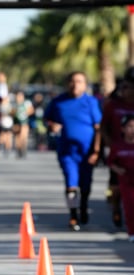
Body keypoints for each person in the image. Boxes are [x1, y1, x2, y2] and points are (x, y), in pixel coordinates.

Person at [44, 71, 102, 231]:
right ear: (67, 83)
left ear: (85, 85)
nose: (75, 84)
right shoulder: (58, 101)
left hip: (87, 152)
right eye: (72, 81)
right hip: (67, 152)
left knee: (85, 185)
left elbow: (98, 128)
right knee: (71, 183)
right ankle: (73, 215)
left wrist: (96, 152)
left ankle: (83, 205)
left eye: (79, 81)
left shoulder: (91, 102)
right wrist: (51, 125)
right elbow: (47, 118)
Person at [101, 67, 134, 228]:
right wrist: (109, 144)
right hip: (118, 149)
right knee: (116, 185)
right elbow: (104, 126)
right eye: (126, 86)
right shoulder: (113, 103)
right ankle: (116, 208)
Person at [107, 114, 134, 243]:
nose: (132, 129)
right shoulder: (118, 145)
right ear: (123, 129)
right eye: (129, 126)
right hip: (126, 182)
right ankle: (131, 232)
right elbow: (110, 162)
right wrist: (119, 170)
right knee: (129, 207)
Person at [11, 90, 34, 158]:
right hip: (16, 123)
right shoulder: (14, 104)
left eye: (20, 96)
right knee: (17, 137)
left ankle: (24, 149)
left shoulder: (27, 103)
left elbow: (32, 110)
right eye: (18, 96)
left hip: (24, 122)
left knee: (24, 137)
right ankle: (18, 150)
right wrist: (14, 113)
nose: (19, 98)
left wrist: (26, 113)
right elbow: (11, 112)